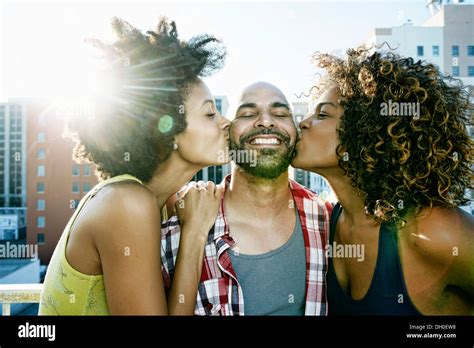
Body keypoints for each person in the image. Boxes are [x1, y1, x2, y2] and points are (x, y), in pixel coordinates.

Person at [39, 17, 230, 315]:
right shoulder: (127, 202)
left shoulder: (151, 203)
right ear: (167, 130)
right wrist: (194, 233)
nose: (226, 123)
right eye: (209, 114)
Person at [292, 48, 474, 315]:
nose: (304, 124)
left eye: (323, 115)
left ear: (364, 132)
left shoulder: (433, 229)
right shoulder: (326, 220)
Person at [161, 81, 332, 315]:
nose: (265, 121)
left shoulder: (329, 222)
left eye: (280, 113)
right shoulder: (174, 237)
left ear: (296, 131)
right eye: (248, 113)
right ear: (227, 134)